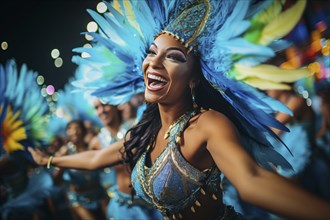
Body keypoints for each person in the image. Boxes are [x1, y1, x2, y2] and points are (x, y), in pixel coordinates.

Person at [29, 0, 330, 219]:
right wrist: (50, 160)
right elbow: (96, 158)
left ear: (195, 78)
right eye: (151, 53)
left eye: (173, 57)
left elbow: (251, 180)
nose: (153, 63)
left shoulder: (208, 125)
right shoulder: (146, 134)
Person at [90, 98, 162, 220]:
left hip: (152, 201)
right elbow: (94, 175)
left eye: (105, 105)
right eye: (97, 108)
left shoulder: (136, 128)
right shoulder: (96, 142)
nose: (102, 111)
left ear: (115, 105)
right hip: (124, 207)